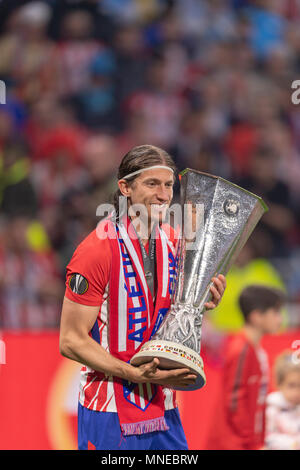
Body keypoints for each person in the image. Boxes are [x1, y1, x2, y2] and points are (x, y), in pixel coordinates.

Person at [59, 144, 226, 450]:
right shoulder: (96, 249)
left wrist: (200, 302)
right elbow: (70, 340)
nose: (163, 195)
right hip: (109, 408)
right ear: (125, 188)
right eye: (152, 184)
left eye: (168, 185)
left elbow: (173, 311)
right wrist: (133, 373)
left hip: (163, 405)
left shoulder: (176, 241)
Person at [206, 284, 286, 450]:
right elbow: (235, 402)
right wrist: (250, 442)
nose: (280, 320)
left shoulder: (255, 350)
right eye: (276, 313)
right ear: (256, 316)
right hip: (234, 443)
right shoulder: (240, 349)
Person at [264, 350, 300, 450]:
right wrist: (293, 444)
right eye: (291, 386)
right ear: (279, 384)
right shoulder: (272, 409)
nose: (297, 391)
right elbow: (269, 437)